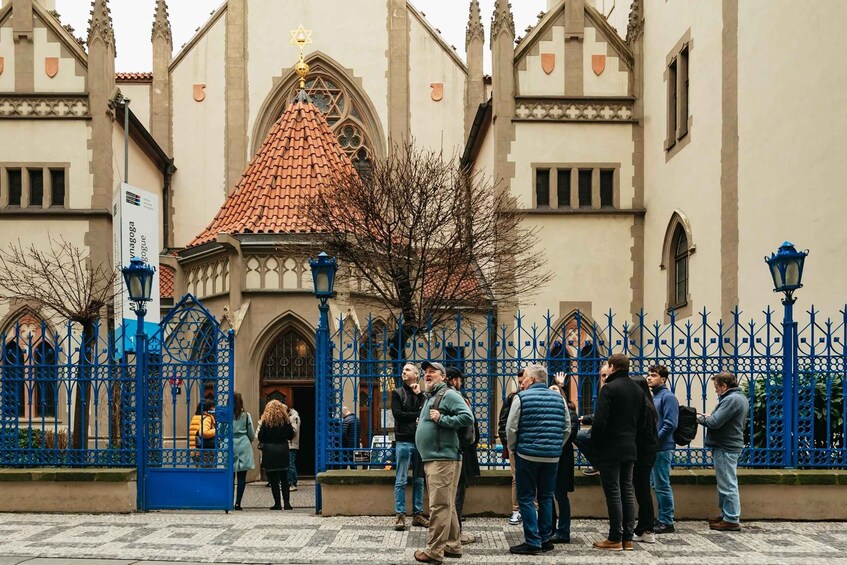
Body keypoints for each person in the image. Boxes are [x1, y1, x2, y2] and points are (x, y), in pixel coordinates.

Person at [413, 361, 474, 565]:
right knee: (447, 504)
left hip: (443, 459)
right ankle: (453, 546)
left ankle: (434, 551)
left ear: (443, 377)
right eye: (426, 372)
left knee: (438, 506)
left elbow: (467, 417)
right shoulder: (431, 396)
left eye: (432, 372)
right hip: (435, 458)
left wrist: (442, 420)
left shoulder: (448, 394)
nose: (427, 375)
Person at [506, 364, 569, 556]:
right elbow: (566, 428)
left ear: (532, 379)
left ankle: (532, 541)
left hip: (527, 454)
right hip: (552, 457)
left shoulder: (521, 397)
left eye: (524, 377)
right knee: (546, 497)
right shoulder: (559, 398)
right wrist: (556, 447)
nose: (522, 381)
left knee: (525, 497)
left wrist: (514, 448)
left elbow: (511, 428)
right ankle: (544, 538)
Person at [590, 354, 647, 552]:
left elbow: (600, 422)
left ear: (612, 367)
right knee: (627, 492)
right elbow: (642, 422)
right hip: (630, 446)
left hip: (610, 448)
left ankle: (615, 537)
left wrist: (596, 444)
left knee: (613, 492)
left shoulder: (609, 389)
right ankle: (628, 539)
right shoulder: (638, 389)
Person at [698, 372, 748, 532]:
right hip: (727, 445)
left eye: (716, 387)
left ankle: (731, 518)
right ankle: (725, 514)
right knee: (725, 483)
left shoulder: (731, 399)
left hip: (725, 446)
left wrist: (698, 417)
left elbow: (714, 422)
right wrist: (710, 417)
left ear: (724, 386)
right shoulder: (737, 398)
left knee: (727, 484)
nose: (715, 390)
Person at [391, 363, 429, 531]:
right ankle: (400, 515)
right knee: (401, 479)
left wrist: (419, 395)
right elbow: (398, 414)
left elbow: (427, 411)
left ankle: (418, 514)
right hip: (404, 441)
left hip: (420, 441)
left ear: (416, 374)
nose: (403, 372)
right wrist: (416, 416)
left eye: (407, 370)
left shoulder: (422, 395)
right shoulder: (397, 393)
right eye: (403, 370)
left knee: (419, 480)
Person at [446, 367, 480, 544]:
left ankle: (452, 531)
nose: (462, 382)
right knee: (457, 494)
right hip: (460, 451)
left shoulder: (442, 396)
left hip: (453, 450)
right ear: (453, 380)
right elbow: (468, 427)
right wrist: (468, 443)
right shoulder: (457, 397)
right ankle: (456, 533)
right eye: (460, 379)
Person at [648, 364, 678, 534]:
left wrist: (655, 440)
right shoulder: (654, 397)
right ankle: (661, 518)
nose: (649, 378)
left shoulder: (668, 397)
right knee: (655, 484)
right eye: (649, 375)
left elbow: (670, 424)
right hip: (654, 448)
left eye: (653, 375)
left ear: (663, 379)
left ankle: (667, 521)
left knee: (662, 485)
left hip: (662, 447)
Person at [549, 371, 578, 544]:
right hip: (550, 458)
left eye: (556, 391)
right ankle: (550, 528)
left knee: (561, 495)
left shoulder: (570, 413)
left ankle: (563, 531)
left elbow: (570, 434)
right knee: (547, 495)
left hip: (563, 460)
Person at [498, 368, 528, 526]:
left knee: (532, 478)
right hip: (514, 446)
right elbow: (503, 423)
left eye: (524, 379)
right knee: (517, 478)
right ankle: (516, 510)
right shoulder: (512, 397)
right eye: (520, 380)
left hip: (530, 444)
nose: (522, 383)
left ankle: (531, 510)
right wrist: (508, 443)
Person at [631, 375, 659, 544]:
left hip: (643, 454)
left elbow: (644, 434)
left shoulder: (644, 408)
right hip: (647, 453)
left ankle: (646, 528)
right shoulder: (648, 405)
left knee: (642, 491)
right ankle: (644, 527)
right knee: (642, 491)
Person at [258, 400, 295, 510]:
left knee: (273, 480)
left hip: (269, 451)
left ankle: (277, 503)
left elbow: (260, 437)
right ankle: (287, 503)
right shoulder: (285, 421)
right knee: (284, 478)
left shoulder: (266, 422)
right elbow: (291, 435)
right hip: (283, 450)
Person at [232, 392, 255, 510]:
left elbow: (220, 430)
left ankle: (229, 501)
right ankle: (238, 503)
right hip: (243, 444)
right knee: (241, 477)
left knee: (230, 477)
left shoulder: (226, 415)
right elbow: (251, 432)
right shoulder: (246, 415)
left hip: (229, 444)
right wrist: (247, 441)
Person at [189, 398, 216, 466]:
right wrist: (215, 431)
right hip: (205, 452)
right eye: (212, 408)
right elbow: (203, 433)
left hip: (194, 451)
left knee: (199, 474)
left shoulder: (195, 417)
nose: (214, 410)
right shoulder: (207, 418)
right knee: (208, 473)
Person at [288, 405, 301, 492]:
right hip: (290, 443)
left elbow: (294, 431)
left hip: (291, 444)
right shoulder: (293, 417)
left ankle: (292, 483)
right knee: (290, 463)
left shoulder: (294, 417)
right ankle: (292, 481)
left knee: (290, 464)